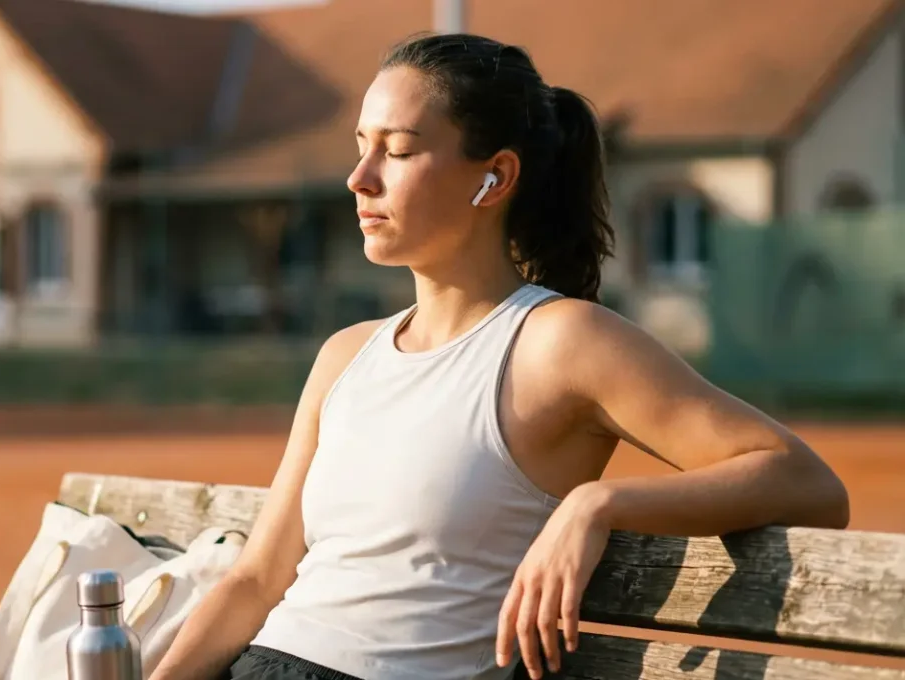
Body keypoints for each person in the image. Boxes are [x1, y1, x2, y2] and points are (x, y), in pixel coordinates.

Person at [149, 33, 850, 680]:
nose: (360, 178)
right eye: (362, 146)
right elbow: (257, 580)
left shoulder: (562, 341)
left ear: (495, 177)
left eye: (397, 151)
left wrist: (599, 503)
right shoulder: (344, 354)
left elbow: (806, 482)